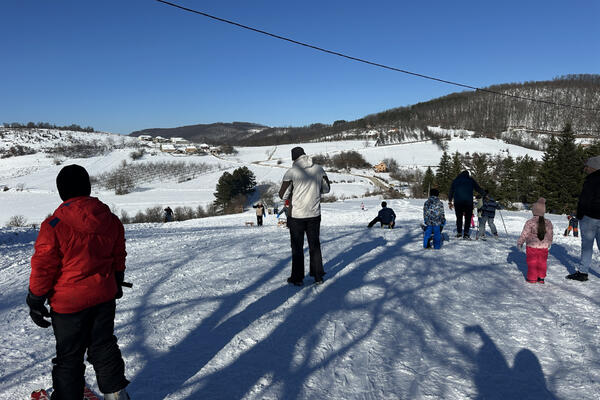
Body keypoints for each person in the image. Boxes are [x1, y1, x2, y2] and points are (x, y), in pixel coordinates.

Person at [26, 165, 130, 400]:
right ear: (88, 188)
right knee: (103, 346)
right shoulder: (111, 220)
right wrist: (117, 278)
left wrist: (35, 298)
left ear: (62, 192)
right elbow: (118, 254)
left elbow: (43, 267)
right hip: (103, 297)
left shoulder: (53, 225)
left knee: (69, 357)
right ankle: (116, 395)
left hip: (69, 305)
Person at [279, 147, 331, 285]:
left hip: (296, 215)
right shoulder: (319, 169)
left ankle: (297, 278)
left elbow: (282, 195)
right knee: (314, 245)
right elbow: (326, 189)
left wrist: (293, 193)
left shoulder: (291, 172)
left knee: (297, 247)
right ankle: (318, 275)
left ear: (294, 159)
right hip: (314, 214)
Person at [567, 155, 600, 282]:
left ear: (594, 167)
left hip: (590, 217)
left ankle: (583, 272)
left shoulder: (591, 180)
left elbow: (584, 200)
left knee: (587, 246)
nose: (586, 169)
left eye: (588, 166)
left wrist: (579, 214)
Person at [517, 197, 553, 284]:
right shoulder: (548, 222)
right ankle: (541, 278)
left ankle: (532, 278)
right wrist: (549, 243)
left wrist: (520, 242)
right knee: (542, 262)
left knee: (532, 262)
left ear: (534, 211)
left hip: (532, 246)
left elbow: (525, 233)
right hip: (544, 247)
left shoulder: (530, 222)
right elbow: (550, 234)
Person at [448, 170, 484, 240]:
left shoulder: (456, 180)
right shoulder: (470, 180)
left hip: (458, 202)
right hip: (468, 202)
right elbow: (478, 188)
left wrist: (450, 200)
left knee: (459, 218)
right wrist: (484, 194)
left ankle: (459, 233)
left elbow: (451, 191)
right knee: (468, 218)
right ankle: (466, 234)